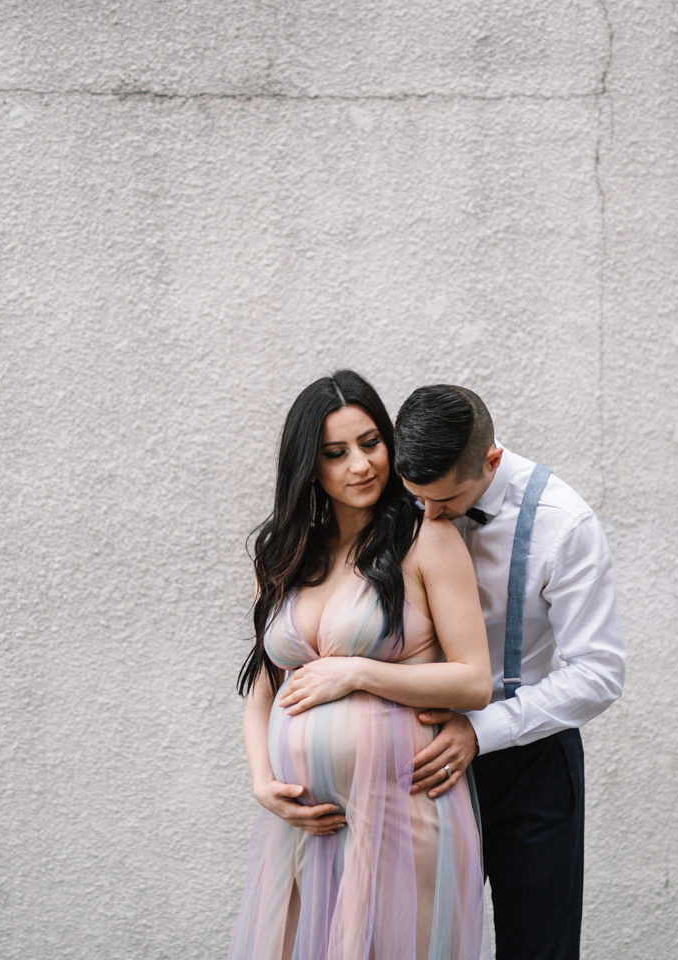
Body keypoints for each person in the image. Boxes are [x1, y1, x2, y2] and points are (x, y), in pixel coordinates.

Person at [230, 370, 491, 960]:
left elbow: (473, 680)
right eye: (336, 453)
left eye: (371, 443)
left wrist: (359, 672)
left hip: (401, 814)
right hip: (307, 827)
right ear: (308, 465)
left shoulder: (428, 540)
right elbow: (264, 688)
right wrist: (261, 781)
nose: (361, 465)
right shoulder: (283, 555)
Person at [393, 384, 625, 960]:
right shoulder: (401, 506)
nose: (428, 517)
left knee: (536, 947)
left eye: (445, 502)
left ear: (491, 459)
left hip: (531, 762)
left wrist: (482, 730)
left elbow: (598, 672)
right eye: (416, 497)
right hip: (419, 758)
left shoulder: (563, 523)